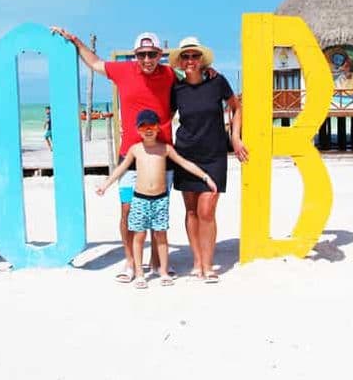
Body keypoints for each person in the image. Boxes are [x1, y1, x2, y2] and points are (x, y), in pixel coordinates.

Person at [50, 26, 177, 283]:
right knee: (128, 211)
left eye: (152, 54)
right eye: (142, 55)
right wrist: (75, 40)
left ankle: (155, 263)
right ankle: (130, 263)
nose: (147, 60)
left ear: (160, 54)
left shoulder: (171, 74)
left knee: (157, 211)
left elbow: (191, 87)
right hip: (129, 157)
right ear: (135, 55)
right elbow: (95, 63)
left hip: (161, 156)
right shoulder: (123, 71)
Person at [96, 110, 217, 289]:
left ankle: (163, 271)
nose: (148, 129)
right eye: (143, 126)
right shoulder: (135, 150)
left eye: (152, 125)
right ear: (138, 130)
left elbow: (184, 163)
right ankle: (139, 273)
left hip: (160, 200)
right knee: (139, 236)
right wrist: (105, 185)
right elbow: (121, 169)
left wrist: (205, 177)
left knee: (161, 236)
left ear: (158, 128)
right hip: (139, 200)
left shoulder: (165, 149)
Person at [170, 37, 247, 284]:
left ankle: (208, 263)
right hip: (185, 155)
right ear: (180, 62)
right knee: (191, 210)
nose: (190, 60)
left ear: (201, 60)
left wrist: (235, 138)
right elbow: (164, 117)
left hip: (214, 155)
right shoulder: (177, 89)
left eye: (194, 56)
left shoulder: (217, 82)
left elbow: (237, 107)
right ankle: (196, 263)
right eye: (186, 57)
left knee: (206, 210)